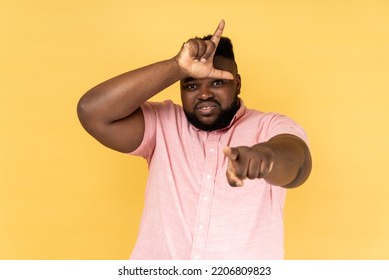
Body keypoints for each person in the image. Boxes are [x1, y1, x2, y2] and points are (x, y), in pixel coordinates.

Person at [77, 20, 312, 260]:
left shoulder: (270, 126)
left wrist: (266, 158)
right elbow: (92, 112)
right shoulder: (162, 123)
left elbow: (299, 166)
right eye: (191, 84)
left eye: (218, 82)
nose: (204, 94)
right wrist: (177, 66)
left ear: (238, 83)